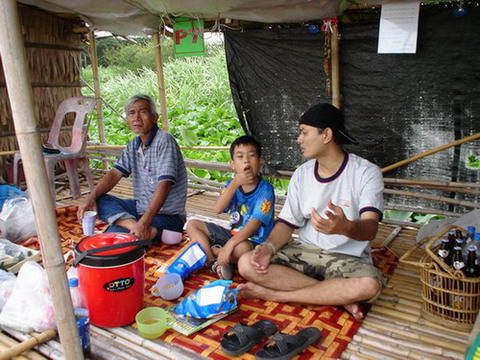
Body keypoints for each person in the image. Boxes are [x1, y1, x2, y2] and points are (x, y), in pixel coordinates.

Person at [237, 103, 385, 320]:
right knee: (246, 264)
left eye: (304, 132)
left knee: (369, 285)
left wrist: (346, 227)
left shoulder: (366, 173)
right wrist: (268, 247)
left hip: (346, 258)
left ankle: (277, 295)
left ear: (326, 135)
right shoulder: (302, 174)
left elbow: (370, 229)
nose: (299, 139)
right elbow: (287, 223)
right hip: (304, 251)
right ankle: (336, 296)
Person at [77, 94, 187, 241]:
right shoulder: (134, 145)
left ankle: (146, 231)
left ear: (155, 117)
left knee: (116, 236)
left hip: (167, 216)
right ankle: (138, 229)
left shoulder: (165, 141)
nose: (137, 117)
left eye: (143, 111)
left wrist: (144, 222)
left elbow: (165, 185)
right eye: (131, 113)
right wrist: (89, 198)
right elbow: (115, 173)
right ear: (128, 120)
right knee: (99, 199)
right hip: (140, 209)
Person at [187, 135, 275, 280]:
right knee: (193, 224)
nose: (246, 160)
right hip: (231, 234)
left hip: (252, 241)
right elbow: (218, 209)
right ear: (232, 164)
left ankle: (219, 253)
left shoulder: (265, 190)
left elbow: (255, 224)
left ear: (260, 161)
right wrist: (234, 184)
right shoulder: (230, 185)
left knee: (243, 249)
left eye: (251, 156)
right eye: (240, 157)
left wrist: (229, 245)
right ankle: (213, 262)